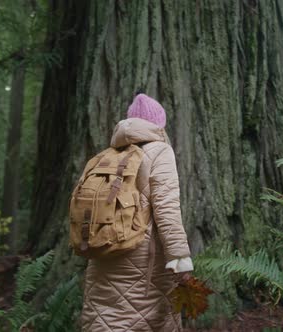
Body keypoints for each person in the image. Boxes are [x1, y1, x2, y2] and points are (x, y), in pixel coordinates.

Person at [81, 93, 193, 332]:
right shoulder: (160, 151)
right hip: (142, 260)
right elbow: (166, 208)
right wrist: (180, 258)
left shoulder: (107, 155)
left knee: (104, 320)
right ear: (159, 125)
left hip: (101, 251)